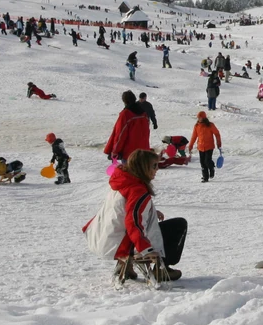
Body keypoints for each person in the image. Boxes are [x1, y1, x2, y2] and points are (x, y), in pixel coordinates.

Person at [82, 149, 187, 283]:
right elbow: (133, 222)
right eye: (154, 166)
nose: (157, 169)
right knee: (179, 225)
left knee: (150, 225)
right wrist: (145, 249)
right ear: (142, 167)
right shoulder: (137, 190)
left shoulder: (122, 181)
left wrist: (152, 211)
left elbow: (124, 209)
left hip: (105, 237)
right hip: (121, 243)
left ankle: (127, 266)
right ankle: (161, 269)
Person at [104, 90, 151, 163]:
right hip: (143, 152)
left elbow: (120, 135)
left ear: (124, 101)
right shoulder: (143, 114)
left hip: (130, 154)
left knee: (129, 173)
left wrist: (115, 151)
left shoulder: (126, 114)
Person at [189, 111, 222, 183]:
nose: (198, 119)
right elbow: (194, 136)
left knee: (207, 161)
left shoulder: (210, 125)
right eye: (198, 117)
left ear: (203, 118)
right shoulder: (197, 126)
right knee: (202, 162)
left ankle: (211, 168)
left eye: (200, 117)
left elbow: (217, 134)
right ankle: (205, 177)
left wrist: (218, 143)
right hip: (200, 147)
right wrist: (190, 146)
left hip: (209, 146)